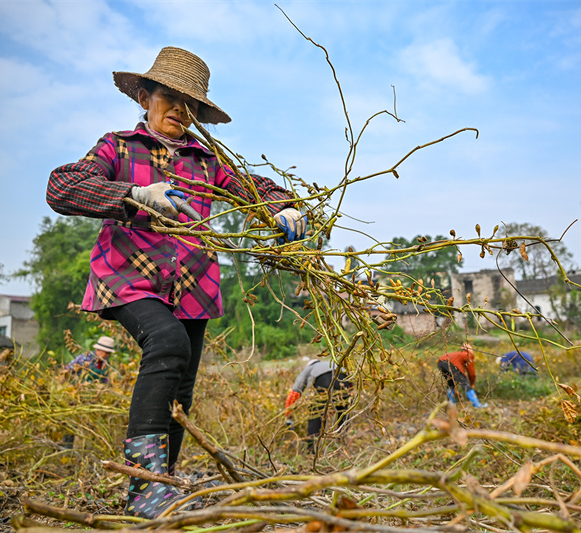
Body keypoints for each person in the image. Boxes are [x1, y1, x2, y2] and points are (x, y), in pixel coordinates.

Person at [46, 47, 307, 518]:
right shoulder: (118, 147)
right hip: (128, 276)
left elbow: (255, 188)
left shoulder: (207, 161)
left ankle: (162, 484)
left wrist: (281, 206)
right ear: (145, 96)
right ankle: (143, 489)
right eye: (169, 96)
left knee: (181, 384)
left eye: (191, 104)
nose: (180, 110)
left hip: (194, 282)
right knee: (166, 343)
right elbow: (62, 186)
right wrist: (133, 194)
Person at [284, 359, 352, 452]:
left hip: (323, 382)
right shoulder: (334, 363)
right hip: (343, 381)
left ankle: (311, 448)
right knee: (343, 411)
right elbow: (351, 383)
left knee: (315, 414)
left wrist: (288, 413)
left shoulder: (309, 368)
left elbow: (295, 391)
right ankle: (342, 442)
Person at [437, 343, 485, 408]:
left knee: (451, 384)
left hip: (441, 363)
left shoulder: (459, 354)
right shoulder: (468, 355)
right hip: (450, 364)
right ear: (468, 349)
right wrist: (472, 383)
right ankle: (477, 405)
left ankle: (451, 406)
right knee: (465, 384)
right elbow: (471, 372)